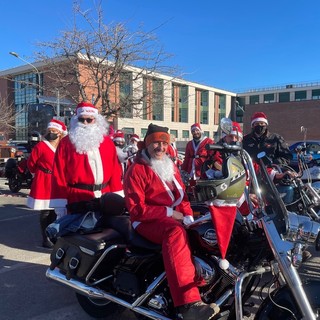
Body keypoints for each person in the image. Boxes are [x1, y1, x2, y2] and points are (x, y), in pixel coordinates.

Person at [123, 123, 219, 320]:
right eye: (156, 143)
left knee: (204, 230)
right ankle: (188, 304)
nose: (160, 147)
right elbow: (136, 209)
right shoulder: (136, 170)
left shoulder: (170, 166)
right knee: (175, 232)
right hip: (145, 221)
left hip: (171, 218)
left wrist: (190, 218)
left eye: (164, 143)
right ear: (147, 144)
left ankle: (208, 283)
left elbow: (182, 197)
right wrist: (170, 213)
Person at [49, 101, 123, 219]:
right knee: (78, 235)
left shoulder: (107, 143)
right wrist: (60, 204)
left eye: (89, 120)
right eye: (81, 120)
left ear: (96, 120)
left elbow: (115, 172)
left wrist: (118, 196)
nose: (85, 123)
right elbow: (58, 175)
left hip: (105, 196)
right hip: (77, 198)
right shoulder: (66, 144)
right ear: (76, 120)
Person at [27, 119, 68, 248]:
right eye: (49, 131)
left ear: (60, 133)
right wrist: (38, 174)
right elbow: (31, 164)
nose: (51, 133)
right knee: (45, 211)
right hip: (44, 179)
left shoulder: (63, 146)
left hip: (58, 180)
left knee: (56, 210)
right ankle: (46, 239)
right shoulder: (41, 146)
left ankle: (54, 235)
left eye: (54, 131)